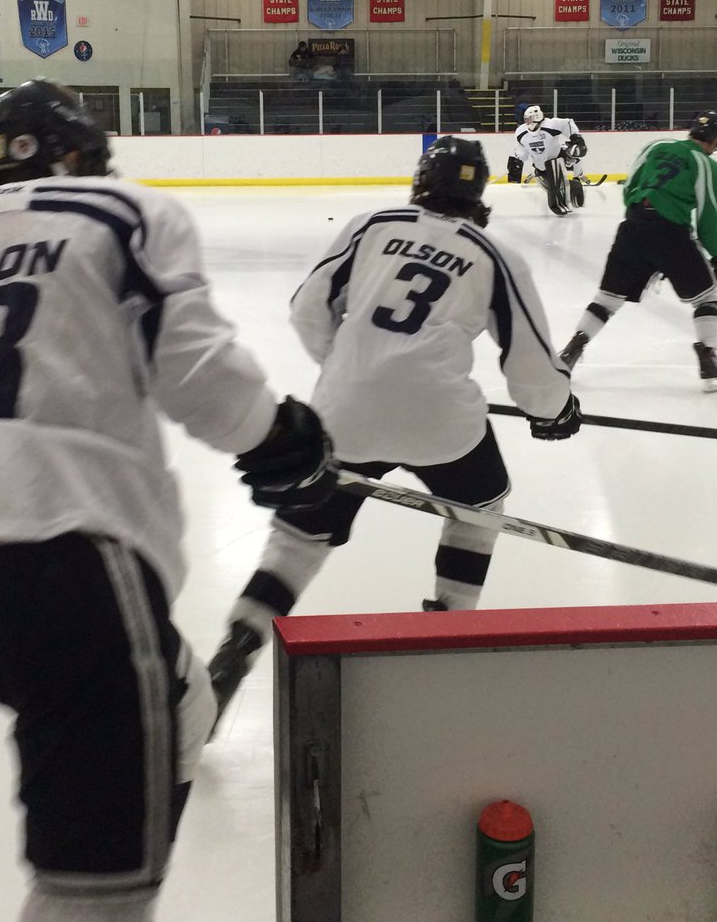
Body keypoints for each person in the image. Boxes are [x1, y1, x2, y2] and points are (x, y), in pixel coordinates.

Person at [0, 78, 336, 922]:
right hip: (83, 562)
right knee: (91, 893)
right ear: (86, 156)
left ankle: (144, 779)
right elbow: (199, 375)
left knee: (180, 699)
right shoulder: (114, 213)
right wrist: (282, 439)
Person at [207, 136, 581, 730]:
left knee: (299, 541)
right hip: (440, 420)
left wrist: (348, 371)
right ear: (478, 194)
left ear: (420, 182)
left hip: (343, 413)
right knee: (480, 506)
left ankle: (237, 646)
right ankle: (448, 632)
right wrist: (554, 408)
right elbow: (533, 368)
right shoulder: (495, 254)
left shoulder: (372, 223)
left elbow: (308, 308)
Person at [558, 110, 717, 392]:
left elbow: (630, 187)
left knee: (607, 299)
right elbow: (708, 222)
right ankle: (709, 361)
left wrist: (646, 223)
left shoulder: (655, 147)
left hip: (632, 229)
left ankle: (573, 349)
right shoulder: (707, 167)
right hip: (671, 236)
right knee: (707, 297)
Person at [507, 104, 589, 215]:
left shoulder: (550, 124)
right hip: (541, 168)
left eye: (529, 119)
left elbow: (568, 123)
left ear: (537, 117)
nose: (527, 121)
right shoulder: (521, 132)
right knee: (555, 189)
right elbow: (522, 153)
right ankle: (574, 187)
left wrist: (577, 138)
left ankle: (577, 176)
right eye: (525, 119)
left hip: (559, 159)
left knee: (575, 152)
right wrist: (516, 162)